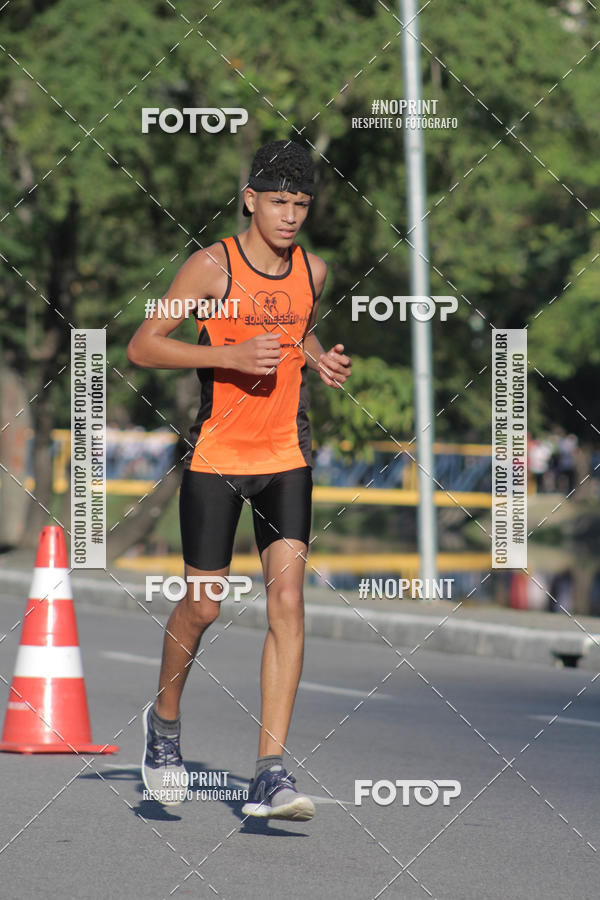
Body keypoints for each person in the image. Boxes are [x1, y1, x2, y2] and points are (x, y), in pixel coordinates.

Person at [127, 140, 352, 820]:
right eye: (279, 202)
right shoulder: (211, 267)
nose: (290, 216)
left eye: (302, 205)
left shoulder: (313, 269)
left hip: (287, 454)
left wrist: (316, 359)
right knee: (204, 606)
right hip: (217, 458)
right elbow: (143, 344)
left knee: (289, 602)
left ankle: (270, 772)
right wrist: (224, 351)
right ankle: (163, 729)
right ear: (251, 199)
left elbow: (294, 328)